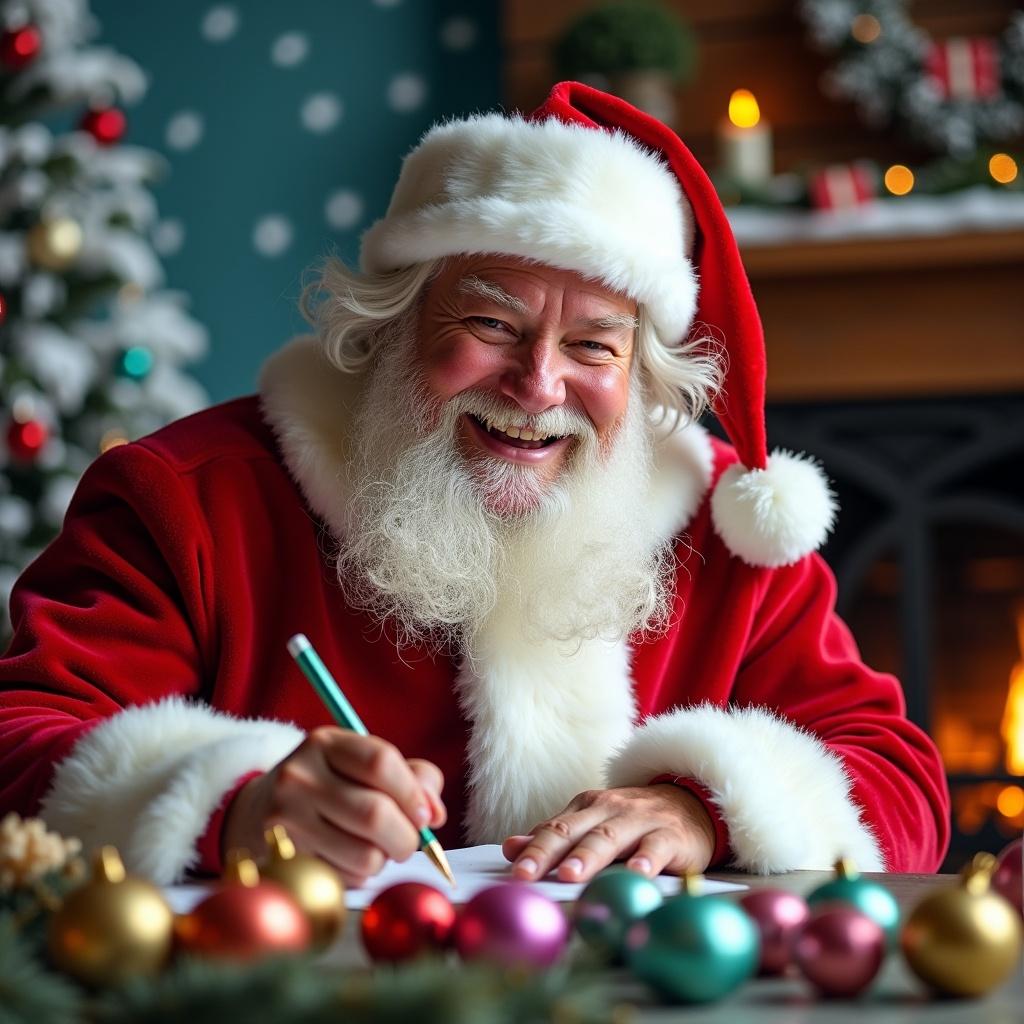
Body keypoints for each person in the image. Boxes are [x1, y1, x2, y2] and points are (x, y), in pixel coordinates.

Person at [0, 83, 949, 887]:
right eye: (492, 325)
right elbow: (20, 742)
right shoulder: (188, 501)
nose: (539, 385)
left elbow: (901, 783)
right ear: (394, 324)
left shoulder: (725, 529)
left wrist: (705, 813)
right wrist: (231, 805)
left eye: (592, 346)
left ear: (642, 377)